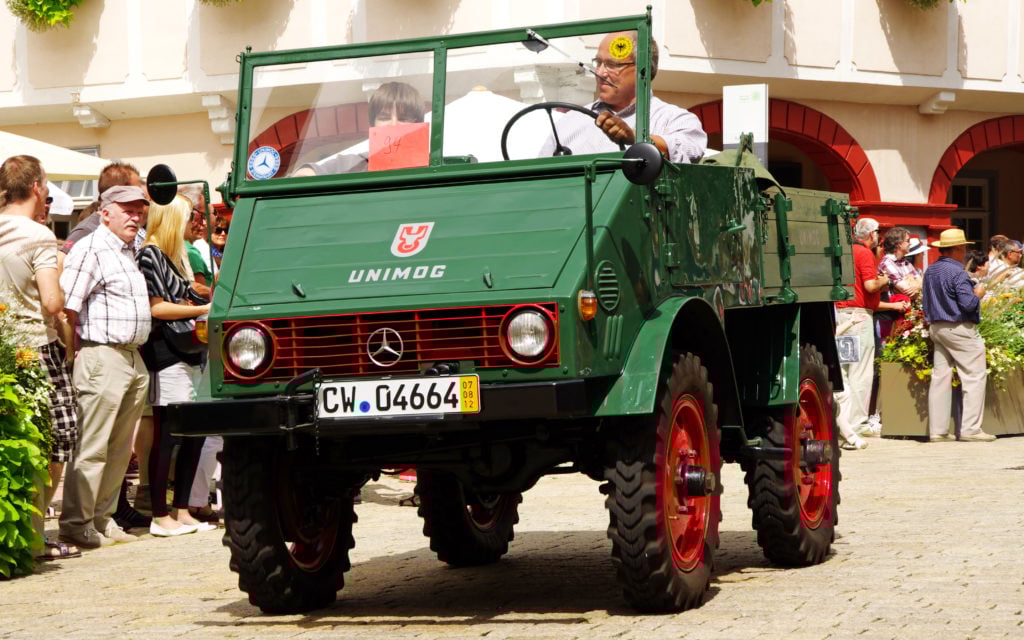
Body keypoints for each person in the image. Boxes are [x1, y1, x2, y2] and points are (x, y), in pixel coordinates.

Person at [58, 185, 153, 549]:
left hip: (131, 356)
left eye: (139, 210)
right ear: (105, 211)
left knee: (118, 450)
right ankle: (76, 523)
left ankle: (102, 517)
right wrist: (73, 354)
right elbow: (67, 307)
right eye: (127, 210)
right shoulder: (91, 248)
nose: (135, 216)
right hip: (102, 354)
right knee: (93, 446)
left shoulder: (129, 250)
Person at [0, 155, 81, 561]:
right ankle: (36, 535)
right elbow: (51, 302)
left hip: (3, 348)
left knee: (14, 442)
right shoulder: (38, 235)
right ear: (37, 188)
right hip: (37, 346)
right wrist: (63, 291)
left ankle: (17, 536)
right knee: (57, 439)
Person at [136, 194, 214, 536]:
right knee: (168, 435)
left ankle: (181, 509)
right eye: (185, 217)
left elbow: (186, 295)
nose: (190, 223)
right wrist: (199, 310)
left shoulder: (175, 255)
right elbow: (158, 308)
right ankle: (159, 514)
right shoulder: (150, 255)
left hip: (190, 351)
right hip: (167, 353)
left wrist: (198, 295)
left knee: (194, 433)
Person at [538, 31, 706, 163]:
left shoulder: (674, 119)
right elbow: (537, 177)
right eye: (598, 63)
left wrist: (637, 139)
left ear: (643, 70)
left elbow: (687, 150)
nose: (600, 72)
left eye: (612, 65)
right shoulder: (571, 121)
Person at [833, 218, 910, 449]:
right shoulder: (864, 253)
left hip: (842, 314)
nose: (880, 236)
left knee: (844, 371)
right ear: (872, 234)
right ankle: (855, 426)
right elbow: (869, 286)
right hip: (859, 316)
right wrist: (884, 280)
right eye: (878, 232)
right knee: (860, 373)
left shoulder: (843, 251)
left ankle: (841, 424)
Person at [922, 228, 993, 442]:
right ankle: (971, 429)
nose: (965, 252)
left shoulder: (931, 270)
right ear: (958, 248)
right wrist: (978, 294)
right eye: (964, 248)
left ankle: (938, 431)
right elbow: (968, 303)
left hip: (936, 326)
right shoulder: (958, 272)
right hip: (958, 327)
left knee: (940, 377)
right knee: (974, 375)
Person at [293, 82, 427, 176]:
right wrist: (305, 173)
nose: (393, 124)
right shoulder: (352, 164)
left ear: (418, 125)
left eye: (403, 118)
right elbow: (307, 175)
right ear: (373, 125)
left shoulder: (435, 166)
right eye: (384, 117)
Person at [59, 162, 145, 259]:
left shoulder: (121, 231)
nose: (141, 193)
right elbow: (61, 260)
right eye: (136, 189)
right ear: (117, 191)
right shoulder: (87, 230)